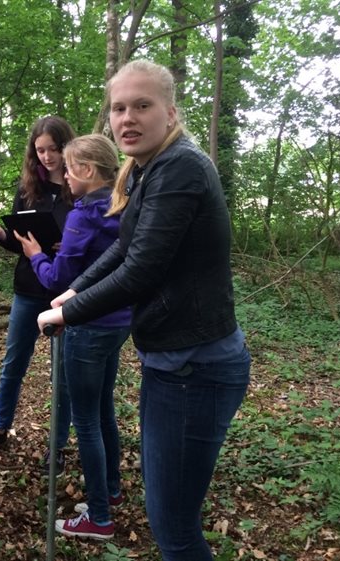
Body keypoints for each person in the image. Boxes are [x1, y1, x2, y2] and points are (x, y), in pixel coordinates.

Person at [37, 60, 251, 559]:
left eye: (142, 105)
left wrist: (67, 314)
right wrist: (75, 291)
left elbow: (142, 270)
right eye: (118, 108)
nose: (127, 117)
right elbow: (124, 249)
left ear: (170, 111)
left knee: (174, 528)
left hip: (195, 367)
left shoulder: (180, 167)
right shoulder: (146, 168)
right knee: (168, 515)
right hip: (171, 360)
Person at [15, 134, 131, 540]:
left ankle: (99, 516)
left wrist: (36, 256)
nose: (63, 175)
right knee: (102, 410)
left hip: (88, 325)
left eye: (67, 168)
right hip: (117, 322)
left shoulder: (84, 215)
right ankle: (111, 491)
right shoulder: (122, 207)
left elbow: (58, 280)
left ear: (85, 170)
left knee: (85, 419)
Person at [0, 116, 75, 476]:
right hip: (29, 288)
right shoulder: (29, 188)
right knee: (14, 360)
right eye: (40, 150)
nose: (47, 156)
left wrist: (70, 246)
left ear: (66, 147)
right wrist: (1, 233)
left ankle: (57, 444)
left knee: (63, 371)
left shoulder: (80, 186)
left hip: (66, 293)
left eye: (53, 149)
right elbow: (22, 245)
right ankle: (0, 427)